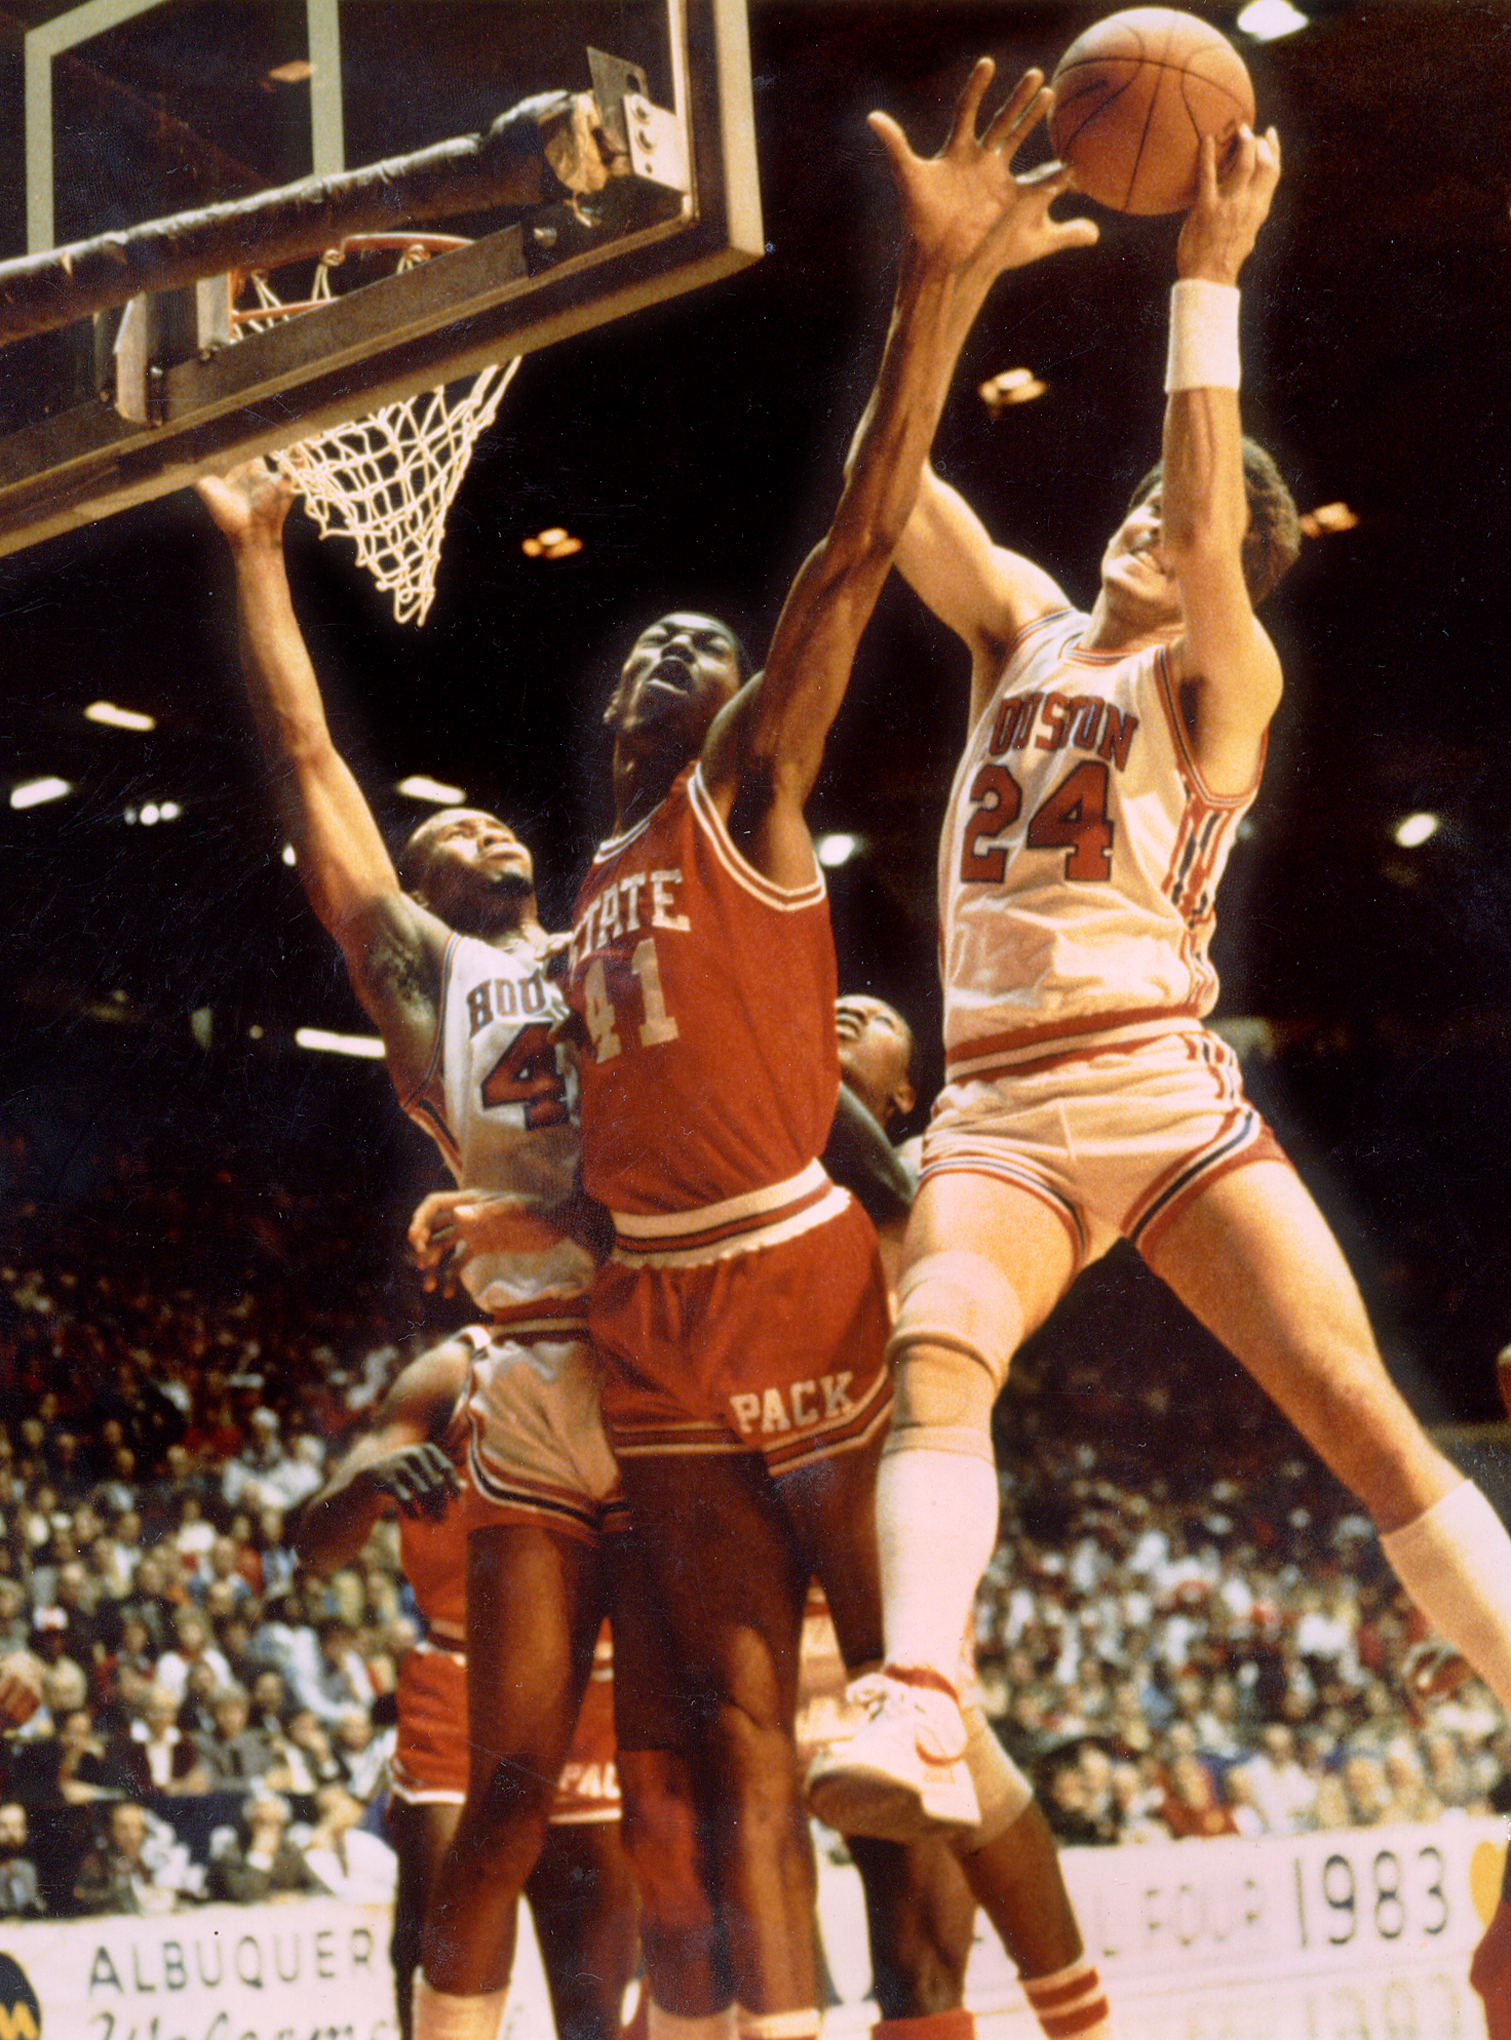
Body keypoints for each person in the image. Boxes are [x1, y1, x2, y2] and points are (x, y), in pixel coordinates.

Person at [810, 113, 1511, 1934]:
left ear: (1230, 574)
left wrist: (1204, 278)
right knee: (938, 1344)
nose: (1139, 523)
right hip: (1002, 1113)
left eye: (1171, 520)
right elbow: (885, 509)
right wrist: (938, 280)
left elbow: (1208, 517)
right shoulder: (1025, 634)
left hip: (1155, 1081)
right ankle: (920, 1694)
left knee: (1358, 1418)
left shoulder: (1223, 672)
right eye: (1126, 505)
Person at [564, 62, 1105, 2040]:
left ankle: (983, 2016)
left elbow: (856, 552)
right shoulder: (588, 893)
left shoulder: (742, 801)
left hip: (803, 1277)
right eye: (643, 656)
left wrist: (933, 295)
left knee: (899, 1746)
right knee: (726, 1748)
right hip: (653, 1312)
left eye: (700, 655)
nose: (667, 656)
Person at [197, 461, 714, 2040]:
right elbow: (308, 760)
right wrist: (258, 549)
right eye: (452, 832)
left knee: (684, 1785)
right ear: (411, 906)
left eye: (499, 820)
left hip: (668, 1352)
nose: (487, 825)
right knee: (505, 1790)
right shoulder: (432, 982)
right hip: (544, 1377)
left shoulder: (604, 936)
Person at [294, 1330, 636, 2040]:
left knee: (593, 2000)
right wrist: (364, 1487)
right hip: (461, 1673)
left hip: (593, 1681)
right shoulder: (450, 1373)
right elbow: (315, 1553)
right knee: (427, 1939)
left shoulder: (630, 1349)